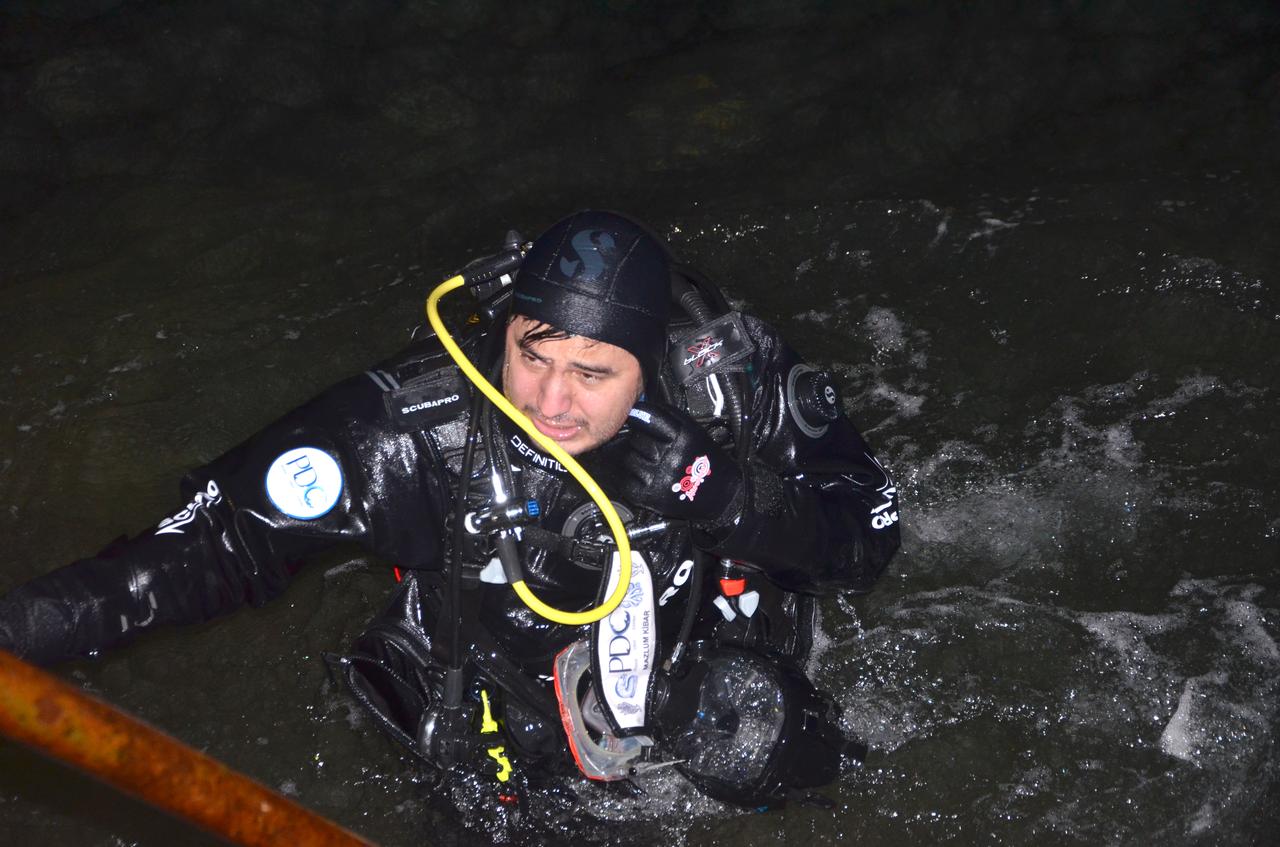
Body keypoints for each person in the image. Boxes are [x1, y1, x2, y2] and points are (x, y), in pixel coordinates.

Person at [0, 211, 900, 809]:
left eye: (594, 374)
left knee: (807, 763)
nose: (550, 402)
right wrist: (19, 632)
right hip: (500, 683)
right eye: (533, 355)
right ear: (503, 328)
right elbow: (210, 551)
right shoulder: (411, 433)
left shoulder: (731, 389)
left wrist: (732, 496)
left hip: (707, 633)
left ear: (652, 361)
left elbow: (869, 537)